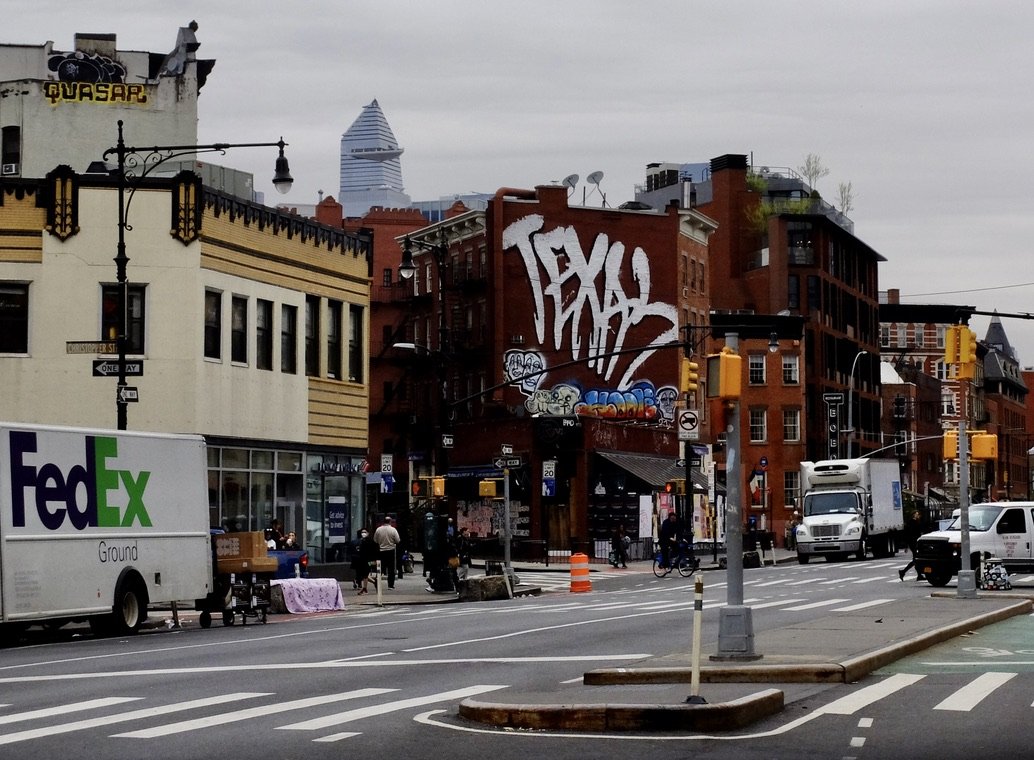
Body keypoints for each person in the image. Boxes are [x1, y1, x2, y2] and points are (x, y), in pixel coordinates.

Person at [373, 515, 401, 589]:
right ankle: (390, 585)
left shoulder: (378, 529)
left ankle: (377, 582)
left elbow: (375, 540)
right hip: (390, 551)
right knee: (391, 569)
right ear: (390, 522)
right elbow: (398, 540)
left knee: (380, 568)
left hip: (381, 551)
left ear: (383, 522)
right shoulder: (393, 530)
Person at [899, 510, 925, 581]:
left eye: (918, 514)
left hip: (916, 542)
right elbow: (907, 534)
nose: (917, 515)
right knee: (915, 559)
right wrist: (906, 545)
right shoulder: (911, 523)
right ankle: (903, 572)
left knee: (915, 559)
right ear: (913, 515)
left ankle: (919, 575)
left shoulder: (916, 522)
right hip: (913, 543)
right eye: (916, 514)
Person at [356, 528, 380, 595]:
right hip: (365, 560)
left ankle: (365, 588)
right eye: (362, 532)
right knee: (364, 574)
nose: (363, 534)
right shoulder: (362, 541)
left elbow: (375, 551)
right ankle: (373, 583)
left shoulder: (370, 541)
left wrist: (375, 560)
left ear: (368, 533)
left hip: (368, 561)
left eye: (365, 532)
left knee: (364, 574)